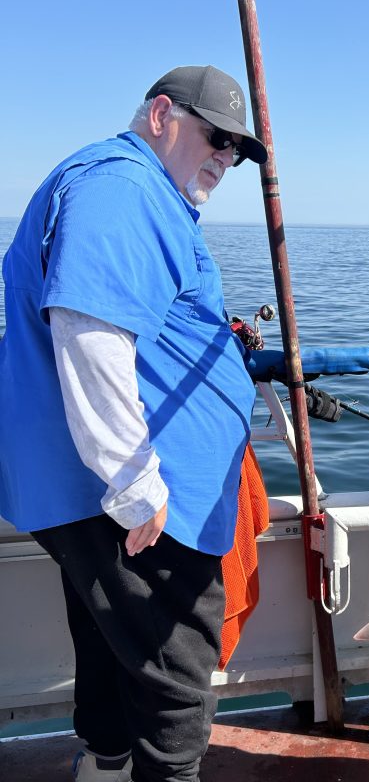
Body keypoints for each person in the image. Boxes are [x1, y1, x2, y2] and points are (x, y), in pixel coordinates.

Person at [0, 65, 266, 782]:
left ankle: (104, 766)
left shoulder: (145, 192)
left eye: (237, 149)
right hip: (137, 502)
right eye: (216, 136)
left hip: (97, 493)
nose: (226, 157)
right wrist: (136, 483)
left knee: (110, 644)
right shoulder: (121, 186)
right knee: (173, 684)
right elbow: (90, 332)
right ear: (161, 115)